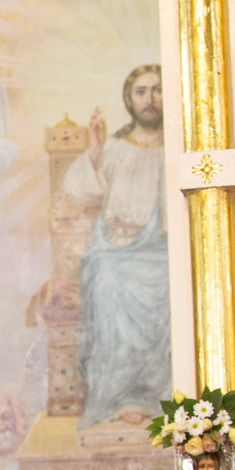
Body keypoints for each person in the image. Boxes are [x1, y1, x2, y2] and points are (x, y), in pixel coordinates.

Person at [62, 64, 171, 430]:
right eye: (141, 91)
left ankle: (161, 400)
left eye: (157, 90)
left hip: (161, 254)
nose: (150, 99)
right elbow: (79, 191)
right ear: (130, 99)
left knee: (174, 285)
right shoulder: (116, 148)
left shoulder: (179, 149)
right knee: (106, 281)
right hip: (116, 252)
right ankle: (115, 400)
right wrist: (94, 150)